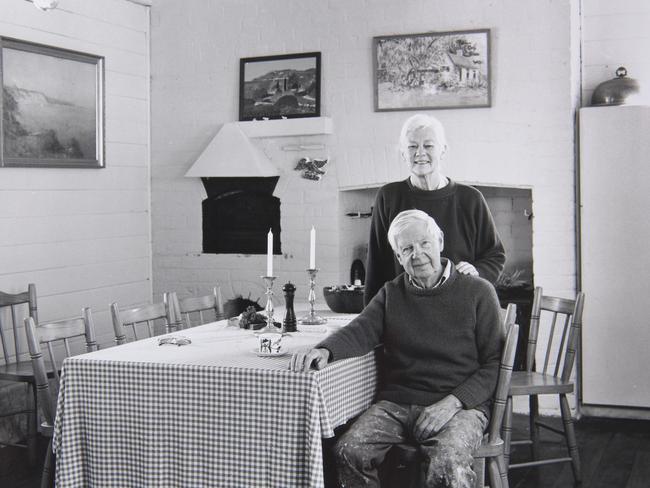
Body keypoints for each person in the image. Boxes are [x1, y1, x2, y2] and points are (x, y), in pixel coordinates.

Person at [290, 210, 503, 488]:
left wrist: (453, 402)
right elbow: (361, 330)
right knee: (348, 450)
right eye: (407, 248)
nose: (418, 254)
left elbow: (494, 363)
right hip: (398, 402)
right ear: (399, 257)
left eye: (424, 243)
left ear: (439, 241)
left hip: (459, 405)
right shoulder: (392, 293)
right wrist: (325, 350)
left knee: (448, 460)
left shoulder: (478, 291)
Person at [364, 113, 505, 305]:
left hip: (459, 309)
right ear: (403, 153)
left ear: (443, 150)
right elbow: (376, 265)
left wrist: (477, 271)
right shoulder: (388, 196)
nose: (420, 153)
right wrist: (370, 319)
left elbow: (495, 255)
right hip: (403, 312)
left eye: (428, 146)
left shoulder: (470, 199)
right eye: (412, 146)